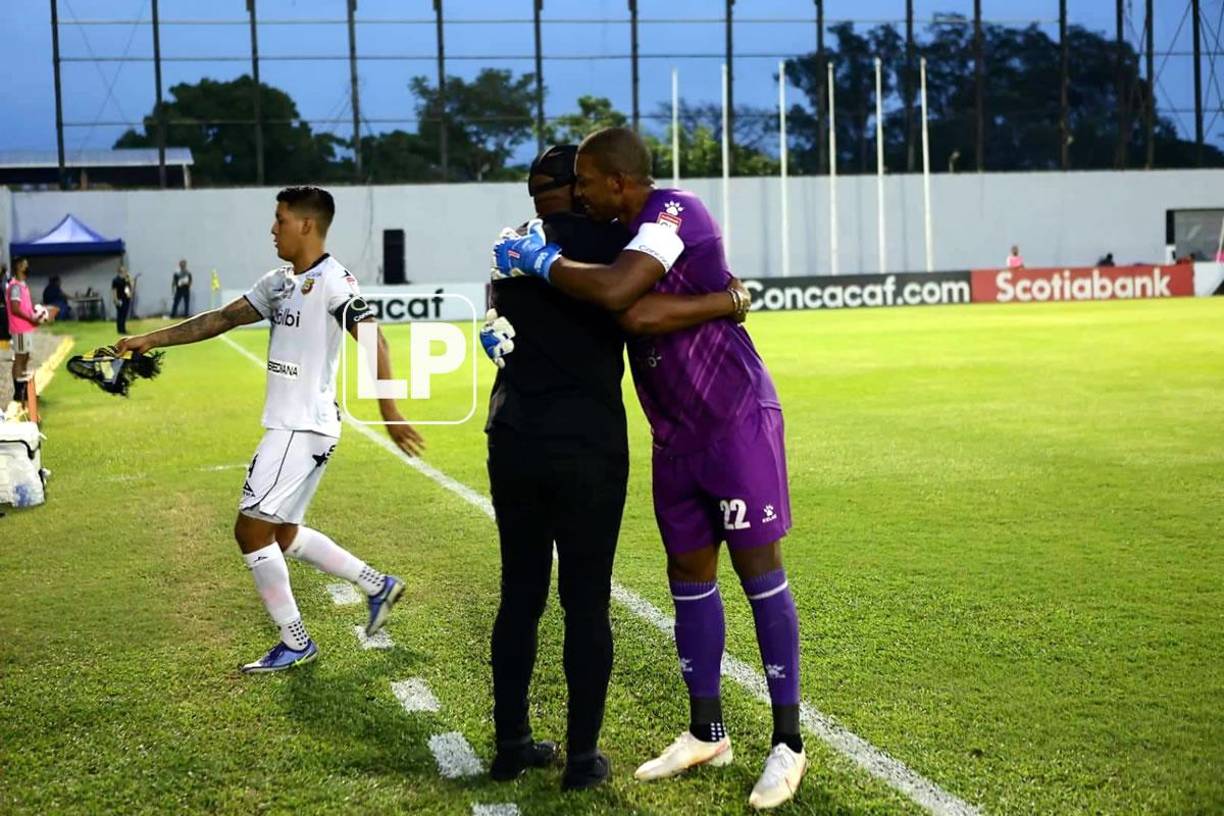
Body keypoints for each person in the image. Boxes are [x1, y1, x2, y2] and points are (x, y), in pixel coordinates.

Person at [491, 128, 802, 810]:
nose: (578, 191)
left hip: (734, 421)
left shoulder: (672, 213)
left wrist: (538, 263)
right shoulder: (620, 232)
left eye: (585, 180)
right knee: (688, 579)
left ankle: (788, 743)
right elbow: (627, 306)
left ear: (617, 182)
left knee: (759, 574)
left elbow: (628, 302)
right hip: (674, 433)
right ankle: (706, 731)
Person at [116, 186, 425, 673]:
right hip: (301, 426)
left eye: (280, 219)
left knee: (250, 530)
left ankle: (296, 641)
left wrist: (390, 408)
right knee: (279, 534)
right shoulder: (280, 282)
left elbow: (374, 337)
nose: (273, 229)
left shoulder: (334, 282)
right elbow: (220, 319)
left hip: (298, 427)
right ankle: (376, 584)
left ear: (306, 225)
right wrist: (148, 340)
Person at [6, 257, 47, 405]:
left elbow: (25, 306)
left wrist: (37, 315)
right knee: (20, 358)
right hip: (20, 327)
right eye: (25, 265)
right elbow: (16, 309)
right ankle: (19, 392)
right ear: (18, 267)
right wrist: (31, 318)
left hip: (25, 327)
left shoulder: (22, 285)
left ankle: (24, 390)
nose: (27, 267)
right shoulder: (15, 286)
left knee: (24, 357)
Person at [112, 264, 133, 334]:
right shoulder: (116, 280)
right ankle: (119, 329)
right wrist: (116, 300)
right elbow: (114, 290)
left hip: (126, 299)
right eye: (124, 271)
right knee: (120, 315)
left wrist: (129, 294)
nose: (126, 272)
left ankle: (123, 329)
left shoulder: (126, 280)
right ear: (120, 272)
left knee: (124, 315)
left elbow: (127, 288)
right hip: (119, 299)